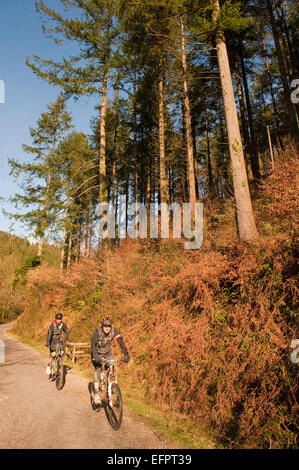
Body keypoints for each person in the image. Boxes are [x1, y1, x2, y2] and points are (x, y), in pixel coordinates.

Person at [91, 315, 129, 405]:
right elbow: (93, 344)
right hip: (97, 353)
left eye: (109, 326)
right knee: (98, 369)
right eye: (105, 326)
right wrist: (95, 355)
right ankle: (96, 393)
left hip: (107, 353)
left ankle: (110, 387)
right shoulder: (97, 331)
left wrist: (126, 354)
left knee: (111, 368)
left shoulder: (114, 331)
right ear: (102, 326)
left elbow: (120, 342)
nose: (107, 328)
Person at [45, 313, 69, 379]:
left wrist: (65, 339)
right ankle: (49, 367)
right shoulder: (52, 325)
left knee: (62, 352)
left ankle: (59, 366)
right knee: (52, 355)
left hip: (59, 341)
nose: (59, 320)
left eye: (60, 319)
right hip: (52, 341)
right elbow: (49, 334)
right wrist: (47, 343)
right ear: (56, 319)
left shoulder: (63, 325)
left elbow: (67, 331)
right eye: (58, 319)